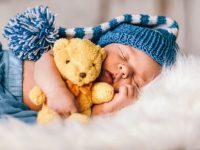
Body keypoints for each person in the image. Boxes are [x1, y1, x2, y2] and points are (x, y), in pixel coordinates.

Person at [1, 13, 179, 123]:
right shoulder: (80, 51)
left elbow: (84, 117)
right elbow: (43, 61)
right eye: (124, 55)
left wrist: (111, 108)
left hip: (13, 105)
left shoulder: (103, 95)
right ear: (105, 44)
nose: (124, 70)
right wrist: (56, 91)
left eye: (136, 80)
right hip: (8, 69)